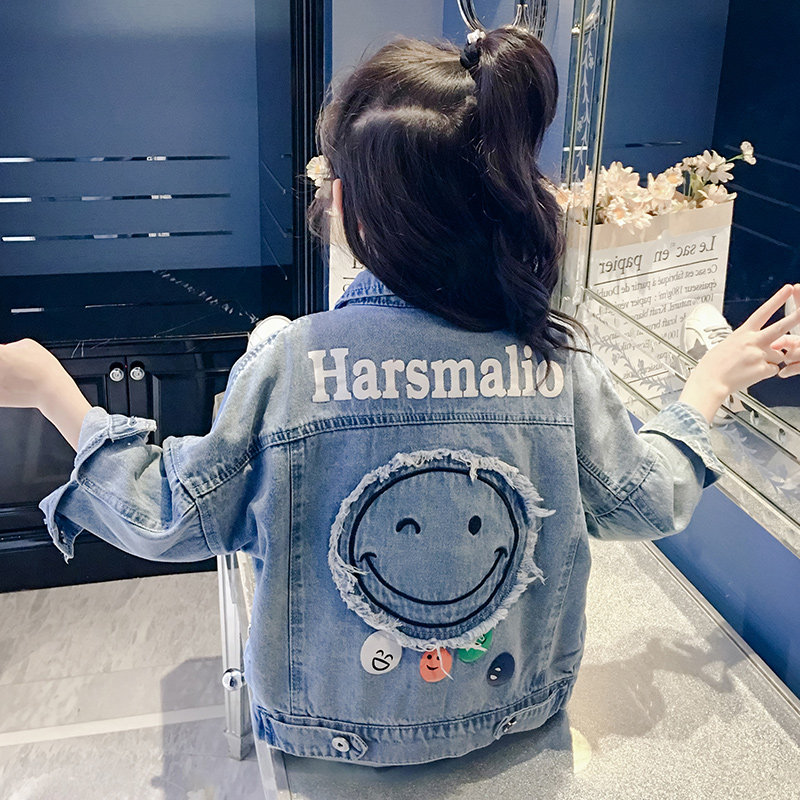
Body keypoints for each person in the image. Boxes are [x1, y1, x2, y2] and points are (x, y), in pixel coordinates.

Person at [1, 26, 800, 768]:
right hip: (516, 719)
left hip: (327, 737)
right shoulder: (555, 360)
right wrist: (706, 387)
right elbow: (644, 499)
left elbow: (169, 514)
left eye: (332, 177)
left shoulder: (289, 362)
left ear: (359, 204)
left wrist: (48, 387)